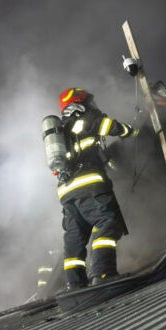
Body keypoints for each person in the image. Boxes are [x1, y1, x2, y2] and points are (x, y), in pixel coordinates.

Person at [55, 88, 137, 291]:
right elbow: (110, 126)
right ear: (78, 104)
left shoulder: (61, 132)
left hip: (67, 193)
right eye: (89, 103)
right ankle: (103, 273)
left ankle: (75, 283)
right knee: (107, 222)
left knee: (76, 235)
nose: (92, 106)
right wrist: (132, 130)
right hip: (88, 185)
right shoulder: (85, 119)